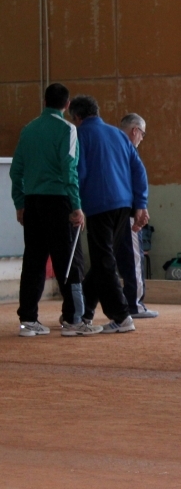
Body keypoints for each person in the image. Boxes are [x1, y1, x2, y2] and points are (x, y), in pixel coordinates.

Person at [10, 83, 102, 337]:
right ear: (67, 104)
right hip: (59, 202)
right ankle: (73, 319)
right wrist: (77, 206)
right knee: (70, 260)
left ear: (44, 101)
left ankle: (28, 320)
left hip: (33, 202)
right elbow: (69, 170)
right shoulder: (68, 129)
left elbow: (16, 171)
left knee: (34, 261)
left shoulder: (28, 130)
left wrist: (20, 203)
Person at [69, 95, 149, 334]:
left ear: (77, 117)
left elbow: (78, 173)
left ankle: (122, 316)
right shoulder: (118, 134)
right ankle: (84, 313)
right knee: (103, 260)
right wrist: (141, 204)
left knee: (104, 261)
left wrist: (75, 205)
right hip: (123, 206)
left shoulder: (81, 136)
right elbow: (139, 170)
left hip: (98, 206)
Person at [114, 113, 158, 319]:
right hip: (128, 211)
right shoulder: (129, 149)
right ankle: (135, 304)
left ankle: (84, 305)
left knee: (107, 259)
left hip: (107, 212)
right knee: (133, 259)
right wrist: (141, 207)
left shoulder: (111, 146)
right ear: (135, 131)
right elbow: (139, 178)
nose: (142, 138)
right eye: (143, 133)